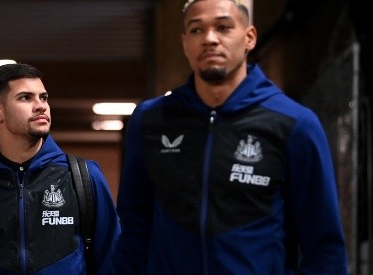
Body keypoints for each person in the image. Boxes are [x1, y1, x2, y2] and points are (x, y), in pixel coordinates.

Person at [111, 0, 348, 274]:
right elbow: (134, 228)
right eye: (197, 30)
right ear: (185, 42)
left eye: (223, 27)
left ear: (249, 38)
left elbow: (325, 247)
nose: (210, 39)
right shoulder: (150, 121)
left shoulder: (295, 124)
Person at [0, 63, 120, 274]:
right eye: (25, 98)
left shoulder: (84, 177)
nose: (41, 106)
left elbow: (113, 262)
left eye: (43, 97)